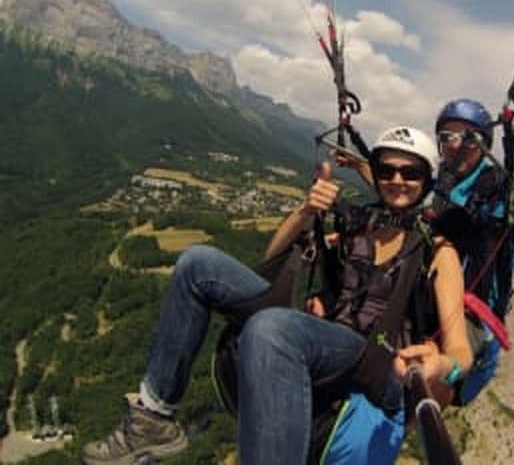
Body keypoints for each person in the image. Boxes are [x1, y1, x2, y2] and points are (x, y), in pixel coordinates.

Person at [82, 126, 472, 465]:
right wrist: (305, 211)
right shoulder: (360, 228)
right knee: (198, 264)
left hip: (378, 362)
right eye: (387, 170)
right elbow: (273, 261)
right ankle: (153, 416)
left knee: (273, 328)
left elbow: (461, 352)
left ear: (426, 180)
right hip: (326, 341)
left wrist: (442, 366)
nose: (397, 180)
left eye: (410, 173)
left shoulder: (437, 252)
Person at [336, 94, 514, 405]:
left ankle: (407, 419)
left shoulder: (507, 189)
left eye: (468, 137)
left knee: (435, 372)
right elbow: (401, 190)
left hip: (470, 310)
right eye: (447, 136)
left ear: (484, 143)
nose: (456, 145)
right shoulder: (440, 180)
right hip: (428, 287)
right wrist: (360, 166)